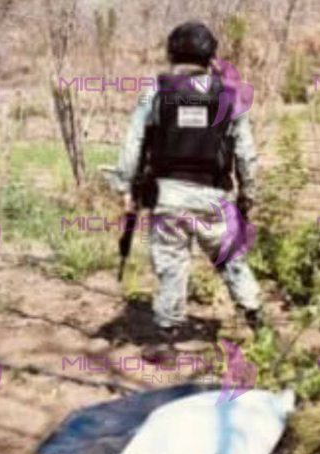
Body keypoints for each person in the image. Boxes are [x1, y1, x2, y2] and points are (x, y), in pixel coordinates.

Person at [112, 21, 263, 345]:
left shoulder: (156, 91)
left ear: (172, 53)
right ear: (210, 56)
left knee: (171, 265)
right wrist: (248, 195)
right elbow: (246, 153)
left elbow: (133, 143)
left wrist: (125, 188)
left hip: (168, 196)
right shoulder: (229, 96)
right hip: (214, 197)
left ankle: (167, 338)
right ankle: (257, 320)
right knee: (231, 259)